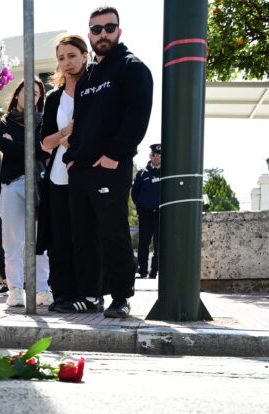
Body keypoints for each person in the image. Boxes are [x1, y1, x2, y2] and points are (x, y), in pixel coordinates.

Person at [63, 5, 153, 319]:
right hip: (81, 169)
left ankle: (121, 297)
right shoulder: (89, 77)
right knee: (83, 235)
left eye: (109, 27)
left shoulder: (132, 67)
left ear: (119, 31)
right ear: (90, 35)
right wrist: (71, 158)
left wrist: (115, 155)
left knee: (112, 232)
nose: (103, 34)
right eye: (97, 29)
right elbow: (80, 121)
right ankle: (91, 295)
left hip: (110, 167)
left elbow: (137, 117)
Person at [41, 34, 97, 314]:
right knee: (60, 239)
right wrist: (65, 133)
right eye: (61, 58)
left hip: (87, 175)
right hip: (58, 177)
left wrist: (70, 137)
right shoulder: (53, 98)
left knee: (85, 237)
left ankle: (89, 294)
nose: (67, 62)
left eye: (72, 56)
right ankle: (62, 294)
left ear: (85, 55)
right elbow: (44, 143)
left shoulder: (96, 87)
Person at [0, 76, 51, 308]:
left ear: (40, 100)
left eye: (36, 93)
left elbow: (46, 152)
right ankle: (15, 288)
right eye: (26, 90)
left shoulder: (44, 123)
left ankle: (42, 288)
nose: (30, 96)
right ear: (17, 93)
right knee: (12, 240)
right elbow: (4, 145)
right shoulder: (4, 122)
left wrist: (25, 147)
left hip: (38, 185)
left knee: (41, 241)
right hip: (12, 183)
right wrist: (36, 147)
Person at [132, 143, 161, 279]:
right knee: (143, 244)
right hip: (145, 214)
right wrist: (140, 207)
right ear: (150, 155)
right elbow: (134, 193)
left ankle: (154, 272)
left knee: (159, 245)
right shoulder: (142, 173)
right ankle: (142, 270)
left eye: (160, 155)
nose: (157, 157)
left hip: (161, 215)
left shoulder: (166, 173)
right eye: (155, 154)